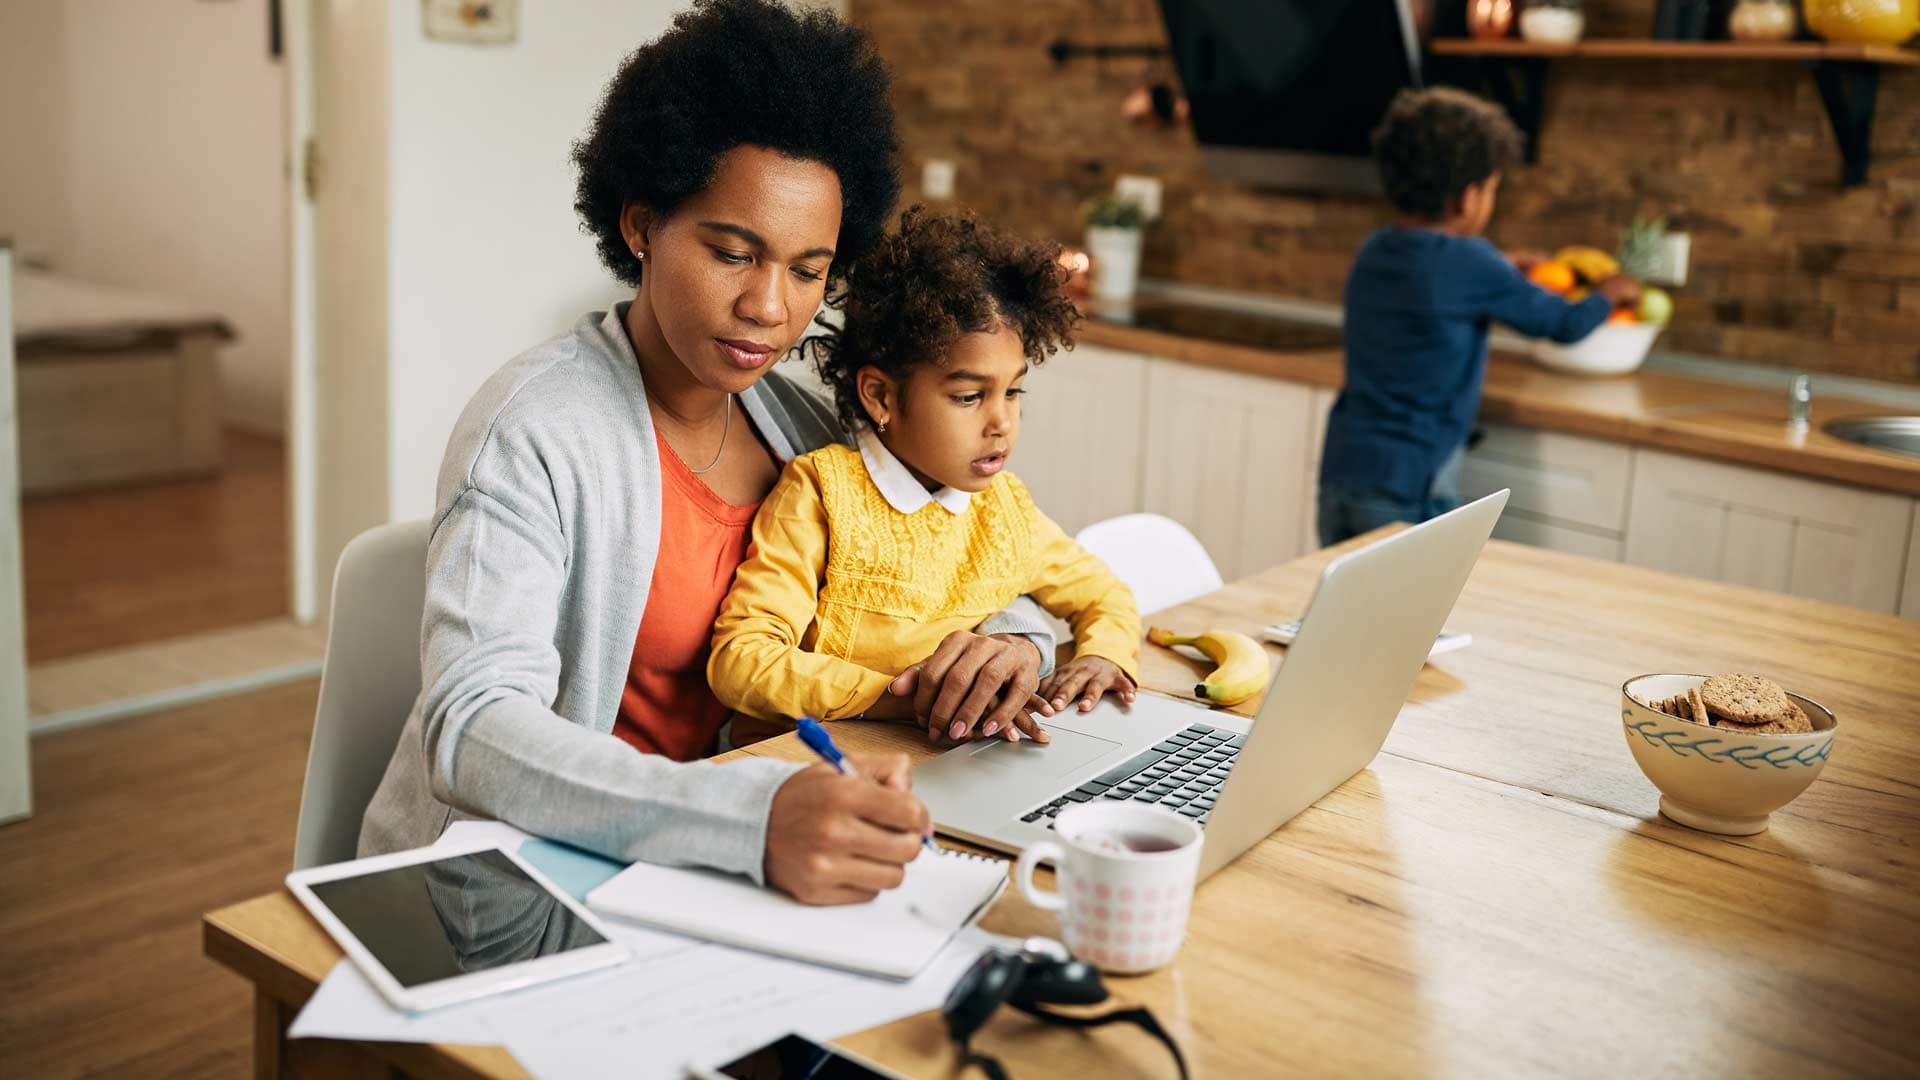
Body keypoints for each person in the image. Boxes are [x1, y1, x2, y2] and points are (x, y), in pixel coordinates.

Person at [359, 0, 1058, 908]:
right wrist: (744, 818)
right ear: (641, 224)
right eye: (733, 253)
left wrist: (1014, 645)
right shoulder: (535, 430)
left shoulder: (803, 431)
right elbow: (474, 728)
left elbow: (966, 559)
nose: (770, 307)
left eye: (809, 271)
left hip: (729, 869)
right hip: (523, 888)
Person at [708, 207, 1141, 746]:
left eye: (1013, 391)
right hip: (806, 762)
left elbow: (1105, 595)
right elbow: (742, 661)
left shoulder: (1005, 510)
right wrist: (906, 696)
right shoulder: (822, 492)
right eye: (969, 396)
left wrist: (1104, 656)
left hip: (934, 759)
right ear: (881, 396)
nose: (1002, 422)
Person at [1317, 87, 1640, 546]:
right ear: (1468, 199)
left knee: (1344, 591)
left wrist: (1500, 267)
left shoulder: (1375, 249)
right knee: (1418, 593)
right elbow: (1563, 324)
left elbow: (1431, 278)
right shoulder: (1472, 263)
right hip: (1412, 485)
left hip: (1342, 473)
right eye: (1491, 189)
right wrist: (1609, 293)